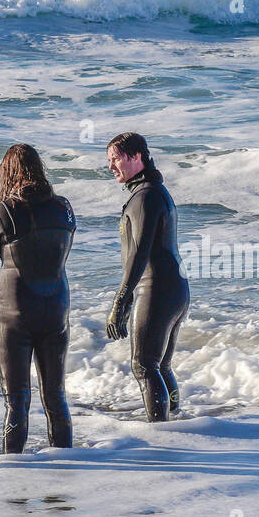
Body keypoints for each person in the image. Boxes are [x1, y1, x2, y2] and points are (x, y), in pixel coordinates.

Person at [0, 144, 76, 453]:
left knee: (16, 400)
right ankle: (65, 467)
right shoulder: (64, 207)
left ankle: (13, 475)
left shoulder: (1, 212)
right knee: (55, 396)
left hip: (14, 313)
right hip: (57, 308)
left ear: (7, 174)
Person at [105, 131, 189, 422]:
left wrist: (121, 300)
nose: (111, 166)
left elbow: (139, 255)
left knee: (143, 366)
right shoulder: (156, 192)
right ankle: (177, 423)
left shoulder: (144, 197)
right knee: (161, 365)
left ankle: (160, 433)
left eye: (116, 158)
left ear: (137, 156)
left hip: (155, 289)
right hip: (176, 289)